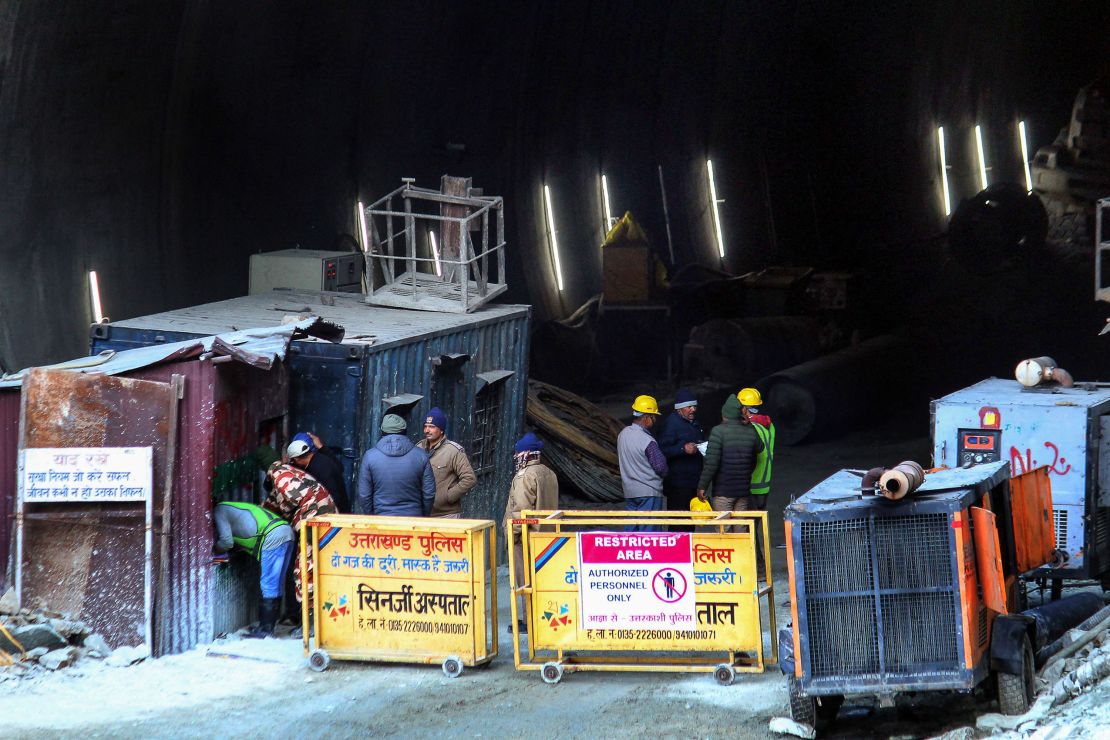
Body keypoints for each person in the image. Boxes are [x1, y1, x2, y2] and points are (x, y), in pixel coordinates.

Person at [503, 432, 560, 632]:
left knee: (524, 580)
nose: (516, 457)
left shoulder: (525, 475)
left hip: (526, 538)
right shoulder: (549, 473)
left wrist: (513, 534)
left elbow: (520, 510)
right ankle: (543, 618)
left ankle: (529, 621)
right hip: (547, 536)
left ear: (527, 454)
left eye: (518, 453)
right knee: (542, 579)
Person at [213, 499, 293, 638]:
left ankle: (265, 631)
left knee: (268, 583)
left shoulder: (219, 510)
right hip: (286, 532)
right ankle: (268, 627)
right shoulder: (234, 507)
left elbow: (227, 541)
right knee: (276, 583)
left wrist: (214, 550)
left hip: (273, 535)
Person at [263, 462, 338, 609]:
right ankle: (313, 617)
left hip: (315, 526)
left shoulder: (280, 477)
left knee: (306, 571)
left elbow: (305, 497)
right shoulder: (290, 477)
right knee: (314, 570)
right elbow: (271, 508)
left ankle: (312, 618)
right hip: (321, 524)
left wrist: (308, 530)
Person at [696, 394, 764, 517]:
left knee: (724, 532)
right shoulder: (749, 430)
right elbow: (760, 447)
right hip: (743, 491)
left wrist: (702, 486)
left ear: (724, 414)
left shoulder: (718, 432)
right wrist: (749, 424)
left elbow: (711, 463)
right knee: (741, 531)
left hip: (723, 492)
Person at [356, 413, 436, 516]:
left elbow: (364, 495)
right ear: (405, 431)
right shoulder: (421, 456)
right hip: (413, 520)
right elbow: (429, 493)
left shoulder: (370, 456)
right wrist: (422, 515)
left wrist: (372, 516)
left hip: (381, 520)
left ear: (382, 432)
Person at [617, 395, 668, 531]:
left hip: (629, 491)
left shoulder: (623, 434)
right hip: (649, 491)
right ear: (646, 417)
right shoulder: (647, 440)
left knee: (632, 533)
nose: (655, 420)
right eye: (653, 416)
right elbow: (661, 467)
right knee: (649, 534)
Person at [739, 387, 775, 579]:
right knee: (756, 528)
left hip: (751, 485)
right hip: (765, 485)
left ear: (745, 408)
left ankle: (759, 570)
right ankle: (759, 568)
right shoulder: (769, 425)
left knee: (749, 529)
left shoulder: (751, 428)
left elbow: (748, 456)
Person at [417, 407, 477, 518]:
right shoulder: (418, 448)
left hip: (446, 515)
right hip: (422, 514)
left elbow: (469, 478)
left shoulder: (453, 451)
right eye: (425, 426)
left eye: (432, 427)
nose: (427, 430)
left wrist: (448, 497)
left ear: (441, 430)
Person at [657, 388, 704, 525]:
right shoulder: (670, 425)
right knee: (679, 523)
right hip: (678, 484)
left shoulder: (694, 423)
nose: (693, 409)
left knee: (690, 522)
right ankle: (678, 547)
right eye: (689, 407)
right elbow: (662, 450)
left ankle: (688, 547)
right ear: (679, 409)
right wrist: (682, 449)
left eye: (694, 406)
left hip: (692, 482)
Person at [287, 432, 350, 513]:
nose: (292, 464)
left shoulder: (320, 468)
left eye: (293, 461)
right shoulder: (318, 460)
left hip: (334, 514)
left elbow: (334, 496)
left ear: (296, 459)